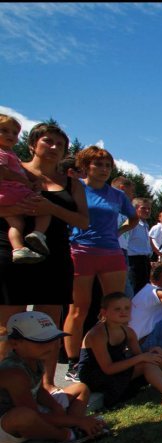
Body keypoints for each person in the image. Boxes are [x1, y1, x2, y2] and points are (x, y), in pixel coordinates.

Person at [0, 122, 90, 392]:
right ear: (32, 144)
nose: (53, 148)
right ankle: (6, 390)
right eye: (47, 141)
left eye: (59, 145)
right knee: (6, 325)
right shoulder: (10, 169)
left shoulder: (71, 183)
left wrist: (50, 207)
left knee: (47, 325)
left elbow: (83, 221)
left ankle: (46, 386)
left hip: (54, 256)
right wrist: (17, 207)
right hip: (10, 251)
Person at [62, 146, 137, 382]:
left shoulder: (117, 195)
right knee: (79, 309)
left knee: (116, 308)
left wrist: (118, 231)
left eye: (108, 166)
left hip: (111, 252)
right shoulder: (75, 186)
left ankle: (115, 353)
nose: (104, 169)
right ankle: (74, 362)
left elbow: (133, 217)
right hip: (80, 251)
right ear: (85, 166)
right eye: (98, 165)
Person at [78, 292, 162, 408]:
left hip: (115, 370)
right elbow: (108, 368)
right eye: (117, 309)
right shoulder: (98, 334)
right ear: (104, 312)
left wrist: (152, 352)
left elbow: (140, 356)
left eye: (127, 308)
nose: (123, 312)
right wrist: (142, 357)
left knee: (153, 358)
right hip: (96, 377)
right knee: (147, 361)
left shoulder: (128, 331)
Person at [0, 311, 106, 443]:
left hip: (33, 411)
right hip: (8, 425)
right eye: (41, 341)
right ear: (15, 343)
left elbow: (38, 390)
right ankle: (67, 436)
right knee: (24, 417)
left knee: (80, 388)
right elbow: (34, 415)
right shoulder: (13, 373)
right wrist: (79, 420)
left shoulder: (34, 357)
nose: (50, 346)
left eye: (52, 339)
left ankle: (72, 427)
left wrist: (55, 407)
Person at [0, 114, 52, 263]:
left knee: (17, 224)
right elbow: (3, 172)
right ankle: (38, 233)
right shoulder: (2, 152)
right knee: (45, 207)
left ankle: (18, 249)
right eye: (4, 130)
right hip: (12, 191)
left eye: (14, 133)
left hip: (5, 196)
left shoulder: (10, 153)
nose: (10, 135)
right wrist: (25, 182)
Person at [126, 197, 160, 294]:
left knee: (144, 288)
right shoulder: (131, 223)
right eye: (143, 208)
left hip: (144, 260)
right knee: (135, 288)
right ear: (135, 209)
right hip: (133, 261)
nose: (147, 211)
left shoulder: (145, 225)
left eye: (149, 208)